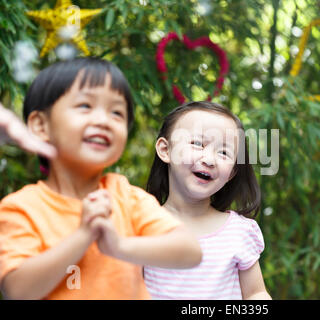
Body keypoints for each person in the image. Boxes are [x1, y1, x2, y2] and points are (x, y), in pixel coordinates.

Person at [0, 58, 202, 300]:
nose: (103, 121)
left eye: (116, 112)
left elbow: (190, 251)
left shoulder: (126, 196)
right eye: (85, 106)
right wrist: (83, 236)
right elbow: (17, 290)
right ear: (41, 126)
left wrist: (118, 246)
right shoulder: (21, 207)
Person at [144, 101, 271, 300]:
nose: (209, 160)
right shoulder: (142, 226)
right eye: (197, 143)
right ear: (165, 150)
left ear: (232, 173)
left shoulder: (238, 231)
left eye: (224, 152)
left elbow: (256, 294)